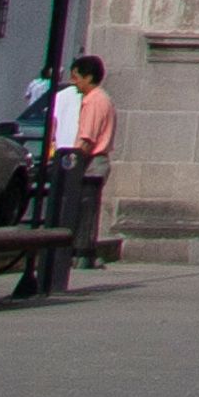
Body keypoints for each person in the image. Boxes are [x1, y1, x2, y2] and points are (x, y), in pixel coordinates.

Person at [49, 54, 118, 254]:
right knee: (87, 207)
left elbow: (87, 139)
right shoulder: (101, 99)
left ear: (88, 78)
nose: (74, 82)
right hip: (95, 161)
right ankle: (83, 249)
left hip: (90, 162)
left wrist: (74, 163)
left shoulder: (94, 101)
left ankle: (80, 250)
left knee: (83, 208)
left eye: (76, 77)